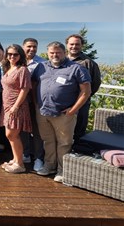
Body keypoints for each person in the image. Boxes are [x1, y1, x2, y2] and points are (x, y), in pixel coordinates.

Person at [33, 41, 91, 183]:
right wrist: (36, 103)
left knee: (64, 142)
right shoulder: (41, 66)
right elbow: (34, 85)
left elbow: (86, 91)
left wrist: (73, 110)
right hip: (43, 111)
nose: (55, 55)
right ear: (47, 53)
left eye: (58, 52)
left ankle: (62, 170)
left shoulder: (76, 68)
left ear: (64, 53)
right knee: (48, 141)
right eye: (52, 52)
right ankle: (49, 166)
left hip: (64, 114)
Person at [0, 45, 33, 174]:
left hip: (16, 106)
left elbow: (25, 89)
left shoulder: (22, 70)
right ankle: (15, 159)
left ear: (20, 56)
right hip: (7, 106)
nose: (12, 57)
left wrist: (16, 106)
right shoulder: (8, 68)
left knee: (12, 134)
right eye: (9, 54)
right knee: (10, 135)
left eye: (15, 54)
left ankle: (20, 164)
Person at [66, 34, 101, 142]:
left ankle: (75, 156)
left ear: (82, 46)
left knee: (78, 132)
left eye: (77, 44)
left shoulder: (88, 63)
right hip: (63, 104)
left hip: (81, 104)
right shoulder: (62, 60)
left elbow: (95, 84)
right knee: (63, 131)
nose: (74, 46)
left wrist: (82, 98)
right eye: (71, 44)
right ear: (67, 45)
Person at [21, 37, 46, 171]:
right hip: (21, 102)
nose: (32, 49)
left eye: (34, 47)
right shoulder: (17, 61)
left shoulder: (42, 63)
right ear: (23, 46)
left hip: (35, 102)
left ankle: (38, 158)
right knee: (23, 130)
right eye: (29, 46)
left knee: (37, 132)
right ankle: (25, 154)